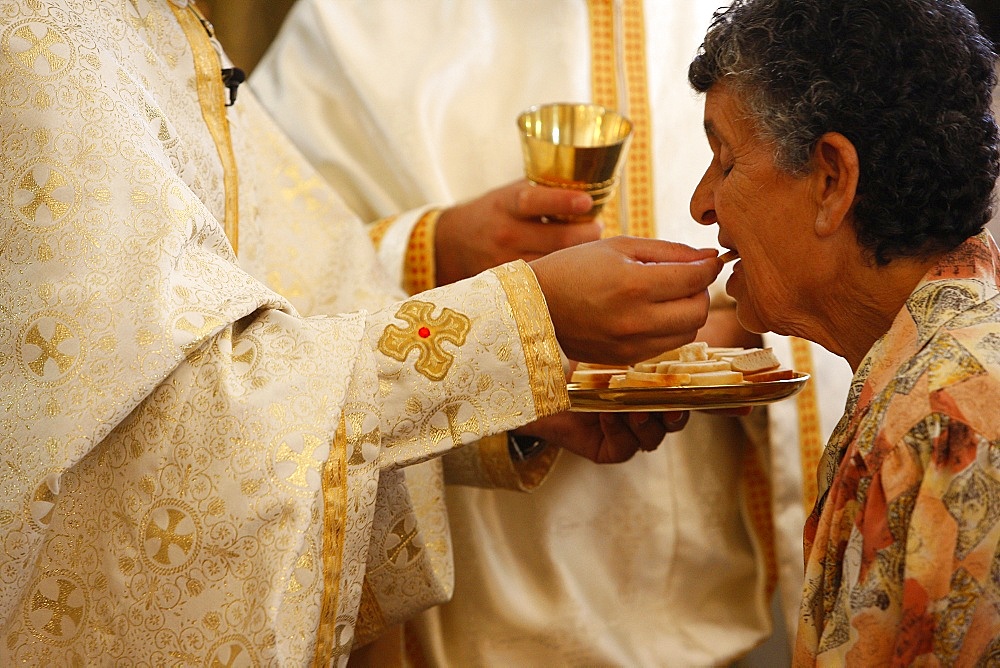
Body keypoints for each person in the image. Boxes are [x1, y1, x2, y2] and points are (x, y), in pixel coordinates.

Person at [0, 1, 728, 664]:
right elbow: (161, 425)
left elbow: (291, 291)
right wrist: (494, 308)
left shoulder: (155, 22)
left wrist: (517, 380)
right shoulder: (44, 40)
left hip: (707, 603)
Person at [251, 1, 855, 664]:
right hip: (466, 617)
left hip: (705, 618)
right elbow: (254, 307)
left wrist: (743, 333)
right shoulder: (348, 23)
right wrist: (436, 250)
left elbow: (878, 251)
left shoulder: (768, 17)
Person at [686, 0, 1000, 662]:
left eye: (726, 160)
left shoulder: (950, 419)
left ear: (831, 179)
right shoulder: (924, 373)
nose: (701, 203)